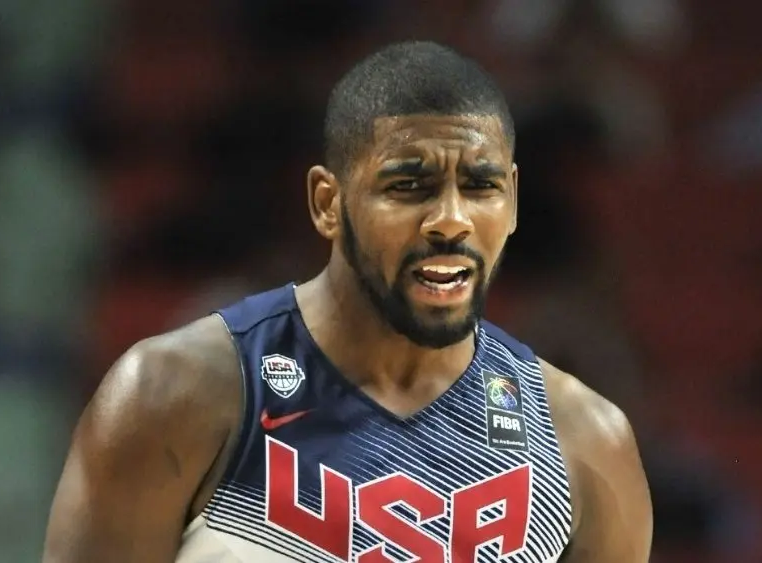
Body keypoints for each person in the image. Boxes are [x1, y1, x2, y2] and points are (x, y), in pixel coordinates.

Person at [42, 41, 652, 563]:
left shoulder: (586, 442)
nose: (450, 221)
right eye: (407, 186)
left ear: (514, 202)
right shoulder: (173, 394)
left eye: (480, 186)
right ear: (327, 202)